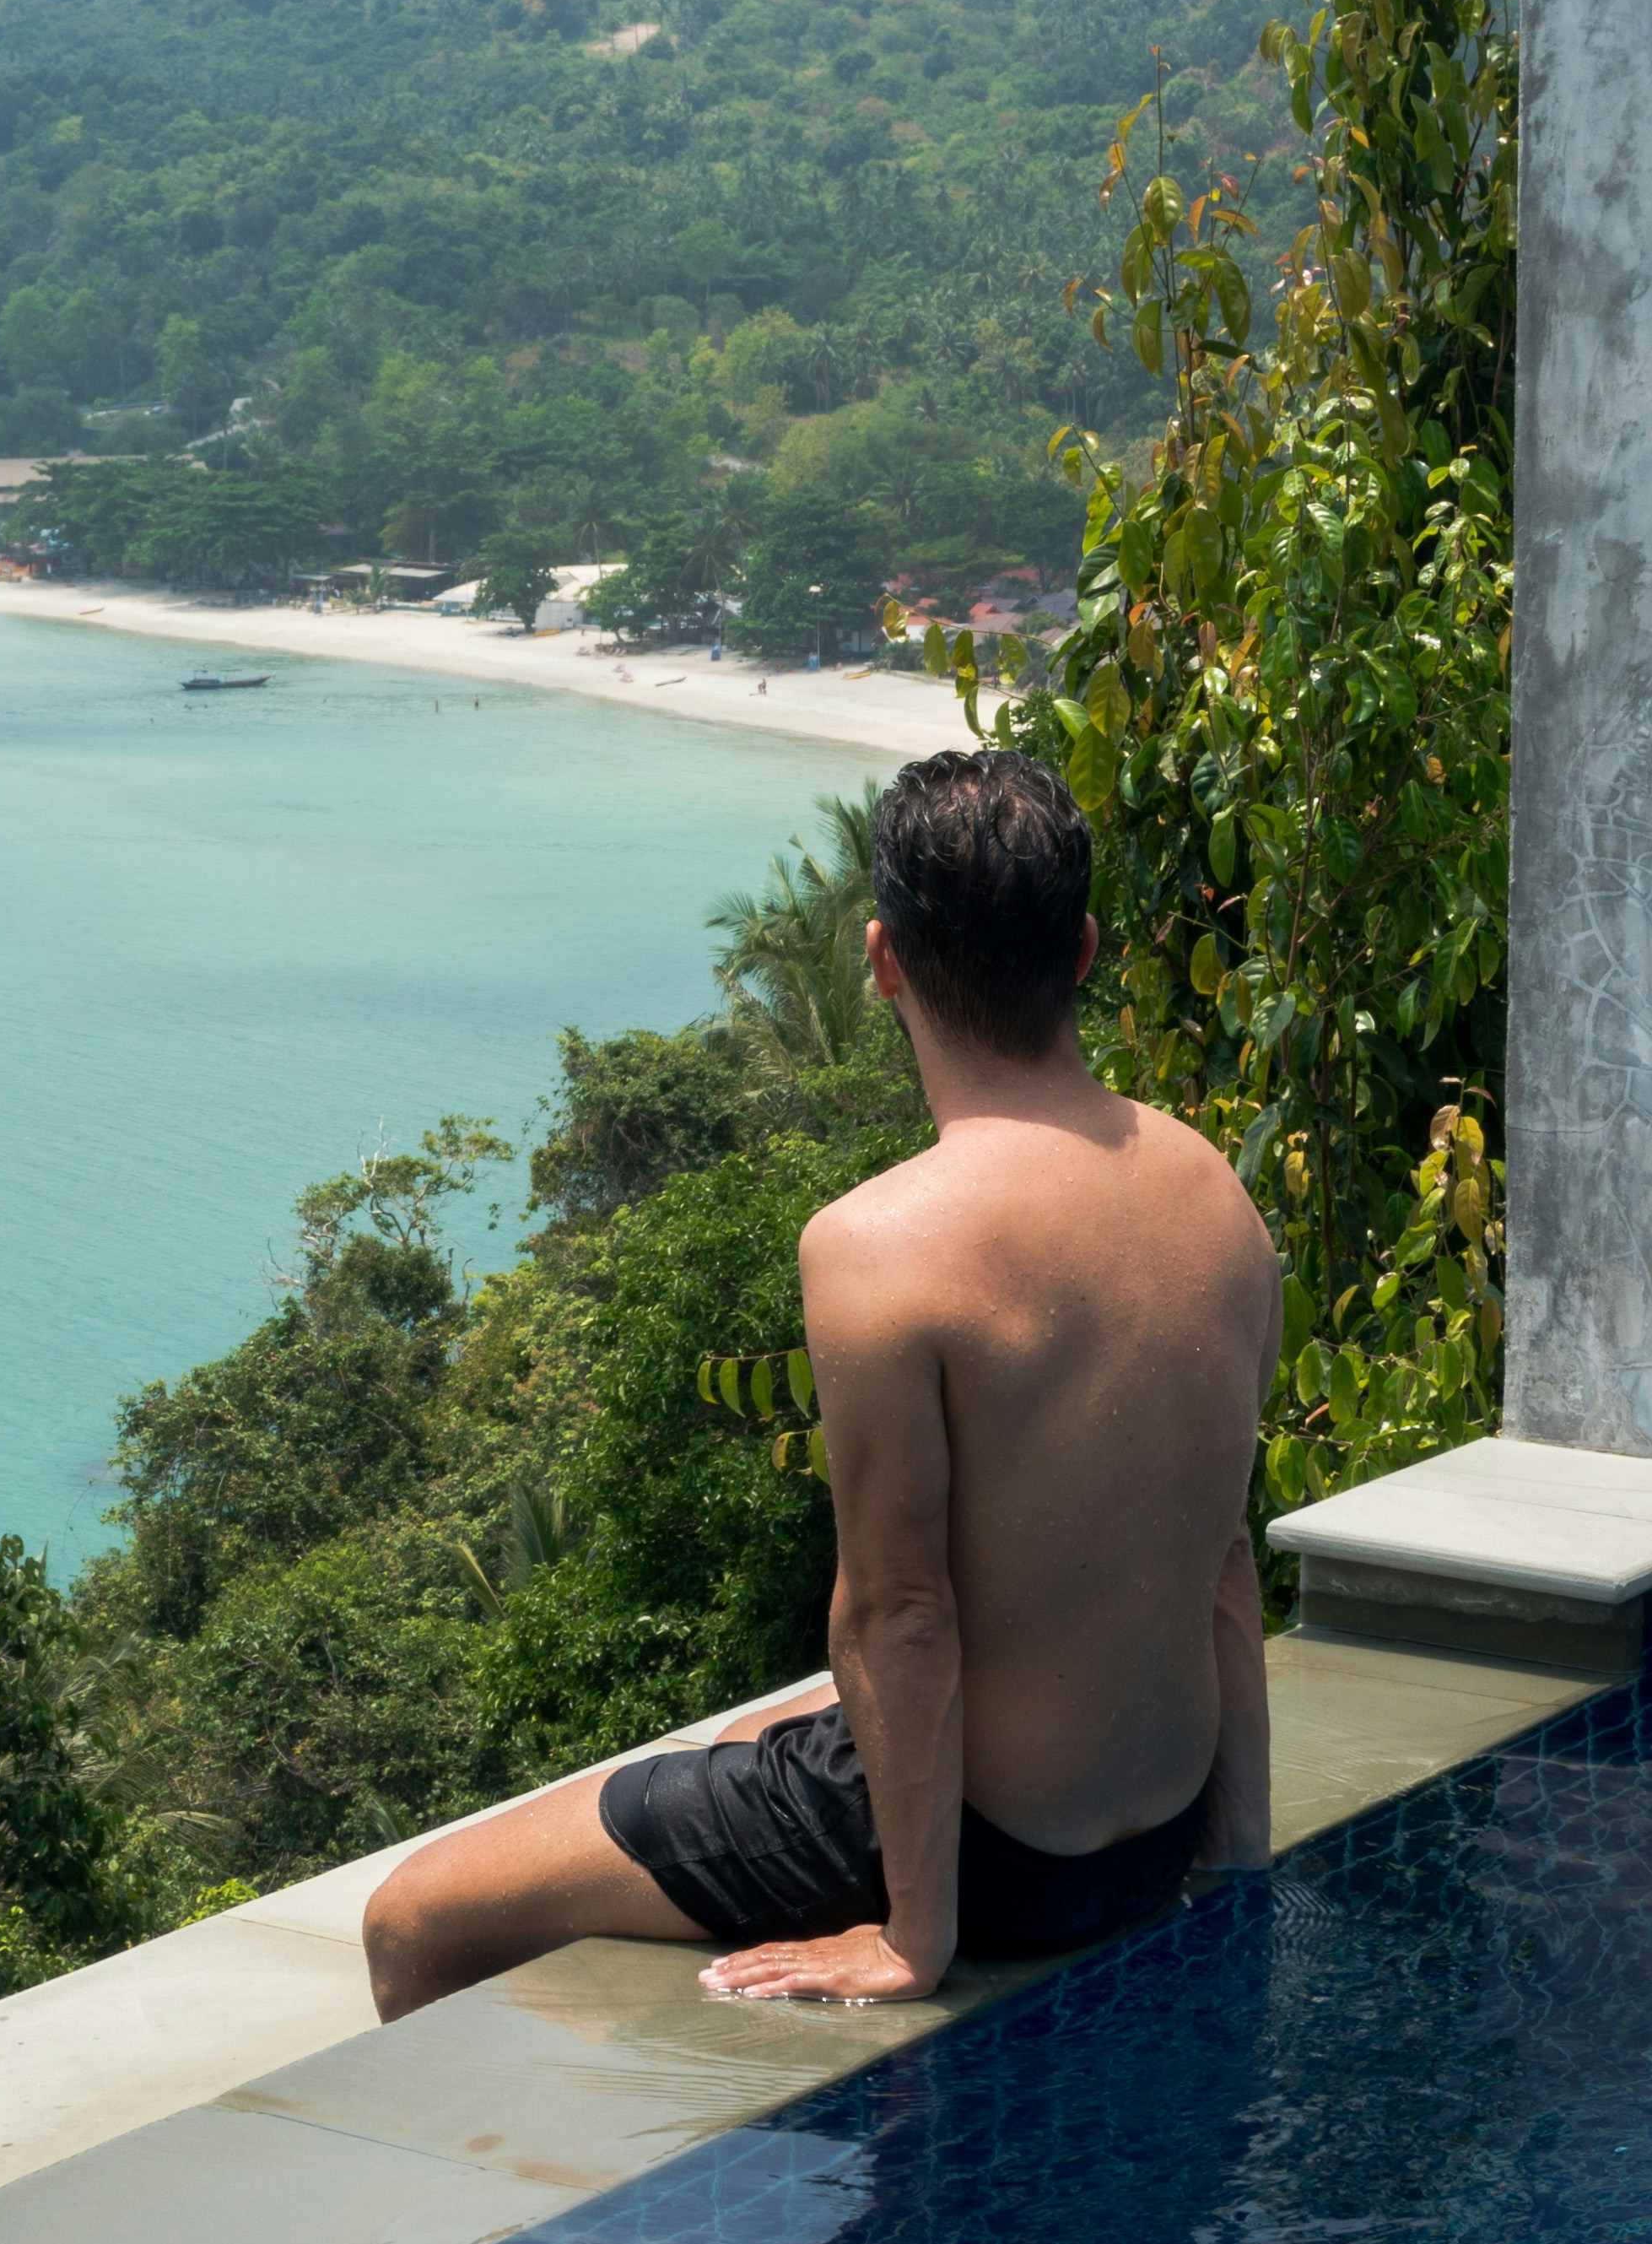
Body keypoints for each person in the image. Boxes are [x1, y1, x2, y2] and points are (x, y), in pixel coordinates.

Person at [359, 748, 1277, 2020]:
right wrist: (1241, 1851)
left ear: (884, 959)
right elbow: (1221, 1546)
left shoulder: (880, 1244)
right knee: (761, 1729)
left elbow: (899, 1616)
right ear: (1081, 950)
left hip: (993, 1870)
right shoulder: (1211, 1194)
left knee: (412, 1917)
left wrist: (916, 1939)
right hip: (1160, 1831)